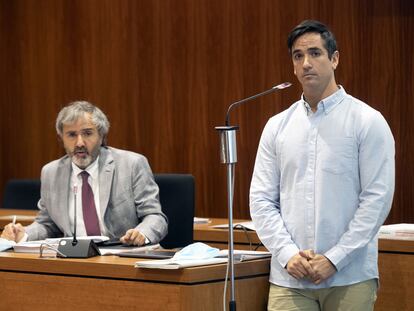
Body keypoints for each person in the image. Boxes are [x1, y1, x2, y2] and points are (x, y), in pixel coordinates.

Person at [249, 20, 395, 310]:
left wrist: (335, 258)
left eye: (315, 53)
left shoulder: (366, 121)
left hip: (349, 277)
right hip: (290, 278)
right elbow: (262, 199)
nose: (306, 63)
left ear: (335, 59)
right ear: (292, 65)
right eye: (298, 56)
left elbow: (376, 200)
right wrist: (287, 253)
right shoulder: (277, 126)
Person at [1, 101, 168, 246]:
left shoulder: (131, 164)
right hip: (75, 258)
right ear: (61, 138)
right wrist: (24, 234)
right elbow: (48, 224)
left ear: (101, 136)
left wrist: (142, 233)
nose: (79, 142)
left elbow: (155, 217)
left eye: (87, 133)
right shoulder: (51, 172)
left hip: (123, 254)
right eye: (72, 135)